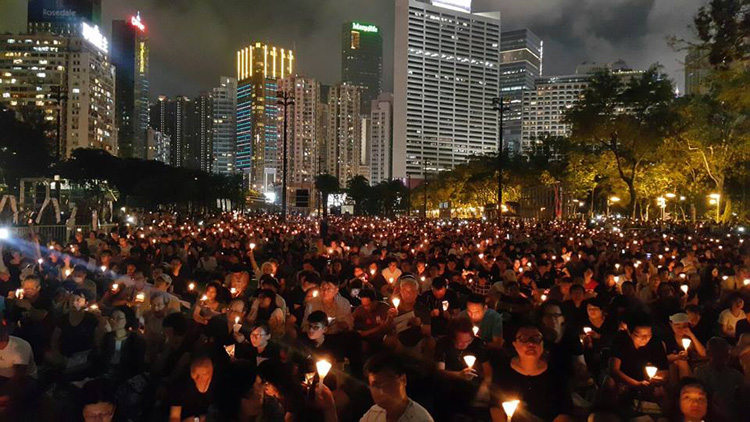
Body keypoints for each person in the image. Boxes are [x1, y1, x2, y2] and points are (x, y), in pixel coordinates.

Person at [490, 322, 573, 422]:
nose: (530, 343)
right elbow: (496, 406)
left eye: (536, 338)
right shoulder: (503, 370)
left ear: (543, 344)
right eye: (523, 338)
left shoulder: (556, 372)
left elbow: (565, 410)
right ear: (514, 344)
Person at [360, 352, 434, 422]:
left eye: (388, 383)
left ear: (403, 380)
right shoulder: (374, 412)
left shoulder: (421, 419)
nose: (382, 392)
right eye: (375, 385)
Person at [169, 354, 216, 422]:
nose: (199, 378)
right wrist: (197, 419)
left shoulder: (220, 383)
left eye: (204, 374)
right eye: (195, 374)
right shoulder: (180, 385)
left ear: (211, 372)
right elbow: (174, 417)